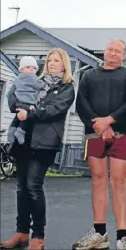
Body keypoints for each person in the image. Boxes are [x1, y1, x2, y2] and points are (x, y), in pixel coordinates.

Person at [0, 48, 75, 250]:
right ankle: (22, 233)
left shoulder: (67, 87)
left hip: (45, 142)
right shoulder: (34, 81)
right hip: (25, 140)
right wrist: (17, 105)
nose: (51, 63)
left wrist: (30, 114)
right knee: (22, 188)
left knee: (34, 186)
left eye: (56, 60)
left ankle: (38, 237)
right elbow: (15, 95)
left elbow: (54, 110)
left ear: (64, 64)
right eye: (49, 60)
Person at [73, 39, 126, 250]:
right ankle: (100, 234)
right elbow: (81, 103)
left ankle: (123, 237)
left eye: (118, 50)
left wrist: (109, 120)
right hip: (94, 134)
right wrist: (99, 126)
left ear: (124, 55)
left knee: (119, 182)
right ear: (104, 52)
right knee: (98, 180)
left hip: (121, 134)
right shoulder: (88, 76)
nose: (113, 53)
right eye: (110, 49)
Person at [7, 56, 45, 148]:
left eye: (34, 68)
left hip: (18, 103)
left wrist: (14, 106)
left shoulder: (18, 79)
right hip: (28, 103)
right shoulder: (33, 79)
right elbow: (40, 85)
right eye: (28, 67)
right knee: (26, 118)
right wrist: (43, 83)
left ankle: (12, 129)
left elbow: (9, 94)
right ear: (22, 69)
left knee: (17, 118)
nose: (31, 70)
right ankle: (21, 131)